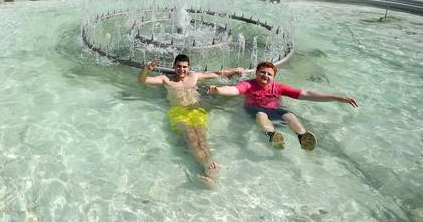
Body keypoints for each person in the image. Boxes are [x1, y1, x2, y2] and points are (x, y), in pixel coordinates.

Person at [139, 54, 245, 187]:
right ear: (174, 66)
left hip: (196, 111)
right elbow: (143, 80)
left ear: (189, 67)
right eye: (178, 66)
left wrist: (235, 70)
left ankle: (211, 173)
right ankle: (208, 167)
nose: (181, 69)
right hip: (178, 113)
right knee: (191, 137)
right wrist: (147, 68)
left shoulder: (194, 76)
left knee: (202, 138)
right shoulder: (166, 79)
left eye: (184, 67)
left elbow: (216, 73)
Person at [207, 61, 358, 151]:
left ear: (273, 77)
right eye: (262, 72)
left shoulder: (278, 87)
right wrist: (218, 90)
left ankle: (302, 136)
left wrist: (337, 98)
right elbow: (234, 90)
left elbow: (307, 94)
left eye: (269, 74)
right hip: (254, 108)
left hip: (275, 109)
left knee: (289, 115)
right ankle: (272, 134)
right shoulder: (248, 84)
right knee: (261, 115)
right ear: (256, 73)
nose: (265, 76)